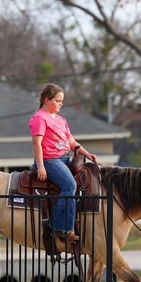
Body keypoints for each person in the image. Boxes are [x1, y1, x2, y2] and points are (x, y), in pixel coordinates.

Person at [29, 83, 97, 243]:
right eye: (58, 100)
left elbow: (71, 142)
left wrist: (86, 153)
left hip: (64, 158)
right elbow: (36, 144)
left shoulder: (61, 120)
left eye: (61, 101)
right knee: (70, 186)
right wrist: (41, 166)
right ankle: (61, 228)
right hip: (50, 160)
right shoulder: (39, 118)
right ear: (47, 100)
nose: (61, 104)